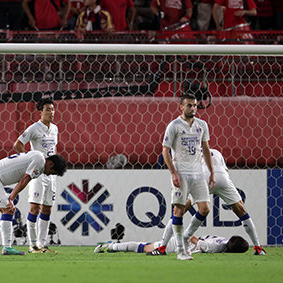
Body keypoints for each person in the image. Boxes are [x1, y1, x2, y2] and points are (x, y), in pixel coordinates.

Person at [147, 94, 215, 260]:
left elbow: (205, 148)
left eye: (195, 105)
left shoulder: (202, 125)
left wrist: (212, 171)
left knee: (205, 208)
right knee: (178, 210)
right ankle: (180, 251)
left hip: (198, 173)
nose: (193, 108)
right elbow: (165, 150)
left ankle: (185, 238)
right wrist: (173, 172)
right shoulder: (174, 125)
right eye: (190, 105)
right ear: (182, 107)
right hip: (181, 173)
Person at [0, 151, 67, 255]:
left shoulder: (37, 157)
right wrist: (11, 197)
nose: (47, 174)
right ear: (51, 164)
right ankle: (7, 248)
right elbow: (25, 179)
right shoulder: (39, 161)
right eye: (51, 172)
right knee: (8, 210)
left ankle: (7, 247)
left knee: (8, 211)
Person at [13, 98, 59, 253]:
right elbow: (17, 144)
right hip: (38, 174)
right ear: (40, 112)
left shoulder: (55, 129)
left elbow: (53, 150)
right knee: (34, 208)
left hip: (51, 175)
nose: (51, 112)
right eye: (47, 109)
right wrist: (29, 159)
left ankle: (42, 244)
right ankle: (32, 246)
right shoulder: (34, 128)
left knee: (47, 209)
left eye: (52, 109)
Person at [201, 148, 266, 255]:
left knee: (181, 209)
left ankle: (168, 245)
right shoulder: (216, 152)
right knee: (242, 210)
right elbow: (225, 171)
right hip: (222, 178)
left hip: (203, 179)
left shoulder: (192, 153)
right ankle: (258, 247)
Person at [95, 234, 249, 254]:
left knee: (144, 245)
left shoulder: (224, 239)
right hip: (179, 243)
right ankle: (110, 246)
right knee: (142, 248)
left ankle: (113, 246)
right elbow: (194, 239)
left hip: (181, 242)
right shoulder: (217, 247)